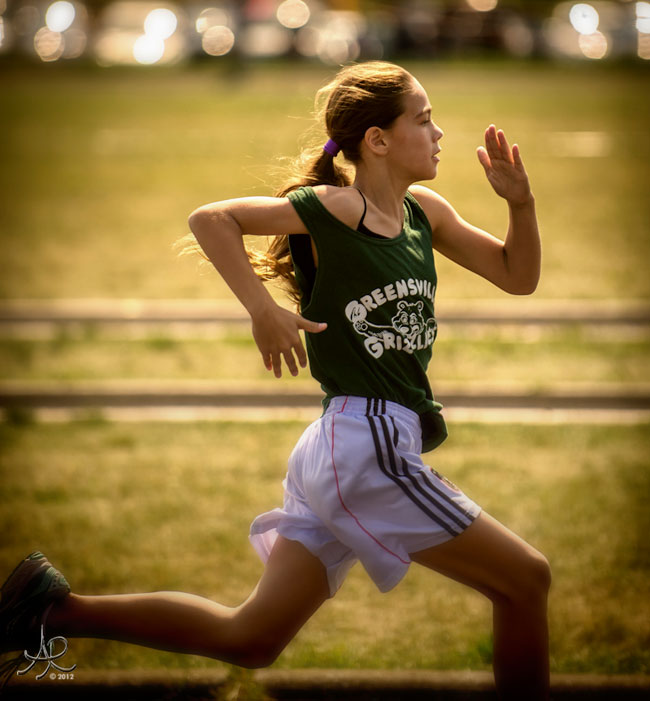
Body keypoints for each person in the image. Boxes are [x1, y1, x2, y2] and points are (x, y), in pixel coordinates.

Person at [0, 61, 549, 699]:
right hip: (362, 447)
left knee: (251, 639)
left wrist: (521, 203)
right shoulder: (338, 208)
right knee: (526, 579)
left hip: (346, 447)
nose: (439, 133)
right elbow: (212, 218)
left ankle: (50, 610)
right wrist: (262, 310)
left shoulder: (424, 212)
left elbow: (517, 276)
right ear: (377, 140)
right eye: (423, 120)